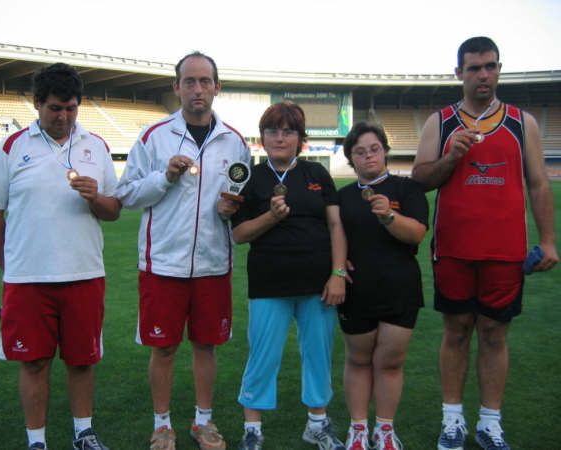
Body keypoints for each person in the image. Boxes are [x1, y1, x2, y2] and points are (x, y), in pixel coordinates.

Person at [412, 36, 558, 450]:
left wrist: (547, 240)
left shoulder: (520, 122)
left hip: (506, 251)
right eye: (474, 68)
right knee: (456, 330)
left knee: (495, 333)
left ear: (498, 69)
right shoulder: (439, 122)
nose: (483, 75)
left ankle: (490, 423)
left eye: (490, 66)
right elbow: (420, 180)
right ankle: (452, 420)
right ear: (459, 73)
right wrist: (451, 157)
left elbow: (538, 184)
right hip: (453, 249)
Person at [0, 63, 120, 450]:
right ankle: (36, 441)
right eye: (56, 108)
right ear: (38, 104)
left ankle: (83, 434)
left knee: (82, 360)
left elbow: (113, 210)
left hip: (85, 273)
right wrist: (10, 269)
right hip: (27, 281)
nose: (64, 117)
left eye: (71, 108)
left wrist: (96, 198)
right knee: (34, 362)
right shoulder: (13, 146)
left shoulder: (96, 145)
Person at [114, 51, 250, 450]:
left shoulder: (235, 142)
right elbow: (127, 194)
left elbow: (240, 197)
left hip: (212, 263)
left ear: (216, 88)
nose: (197, 89)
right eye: (189, 81)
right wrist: (164, 178)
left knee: (206, 345)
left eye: (204, 81)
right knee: (165, 347)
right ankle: (162, 425)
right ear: (176, 88)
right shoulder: (152, 137)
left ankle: (202, 422)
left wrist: (231, 208)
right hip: (162, 263)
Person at [231, 101, 348, 450]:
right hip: (269, 284)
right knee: (262, 355)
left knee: (317, 353)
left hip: (318, 285)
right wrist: (271, 217)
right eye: (272, 131)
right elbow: (238, 235)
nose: (279, 137)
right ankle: (253, 430)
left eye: (288, 131)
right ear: (262, 137)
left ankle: (317, 424)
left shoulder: (316, 174)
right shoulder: (251, 176)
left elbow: (335, 225)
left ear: (300, 138)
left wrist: (338, 273)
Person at [337, 122, 428, 450]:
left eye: (374, 149)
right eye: (359, 152)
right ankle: (358, 428)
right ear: (351, 158)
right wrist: (337, 264)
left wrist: (389, 216)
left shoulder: (407, 190)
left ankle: (385, 429)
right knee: (358, 360)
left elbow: (417, 234)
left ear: (385, 151)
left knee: (390, 363)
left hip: (400, 290)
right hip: (356, 291)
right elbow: (333, 237)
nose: (368, 156)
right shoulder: (343, 196)